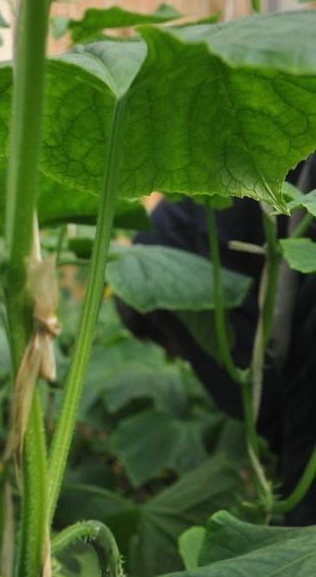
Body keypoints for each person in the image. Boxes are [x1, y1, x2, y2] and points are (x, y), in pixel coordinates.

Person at [116, 156, 315, 525]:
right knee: (264, 401)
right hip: (210, 245)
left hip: (185, 254)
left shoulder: (161, 265)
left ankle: (295, 510)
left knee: (257, 399)